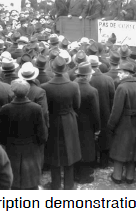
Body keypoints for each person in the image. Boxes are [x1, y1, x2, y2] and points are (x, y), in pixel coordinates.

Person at [0, 79, 47, 190]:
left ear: (13, 91)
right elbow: (41, 133)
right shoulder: (36, 108)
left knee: (14, 181)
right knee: (32, 181)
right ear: (27, 91)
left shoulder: (5, 109)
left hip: (12, 148)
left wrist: (7, 143)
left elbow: (0, 133)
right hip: (31, 148)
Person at [41, 56, 81, 190]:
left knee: (54, 153)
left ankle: (56, 184)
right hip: (69, 120)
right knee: (70, 151)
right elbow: (77, 105)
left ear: (52, 69)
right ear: (65, 69)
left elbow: (45, 108)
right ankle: (69, 185)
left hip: (53, 120)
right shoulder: (74, 85)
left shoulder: (45, 87)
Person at [108, 62, 136, 184]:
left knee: (120, 149)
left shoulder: (121, 87)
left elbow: (116, 110)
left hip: (124, 122)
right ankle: (130, 177)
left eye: (120, 72)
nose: (118, 74)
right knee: (134, 149)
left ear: (127, 73)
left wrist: (111, 125)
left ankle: (117, 176)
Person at [73, 62, 100, 183]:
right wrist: (97, 128)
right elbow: (95, 112)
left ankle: (75, 172)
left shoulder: (71, 85)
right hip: (87, 125)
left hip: (73, 122)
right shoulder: (92, 90)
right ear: (87, 76)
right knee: (86, 149)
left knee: (75, 147)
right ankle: (83, 176)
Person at [88, 55, 115, 168]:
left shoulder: (87, 79)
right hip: (105, 113)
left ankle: (93, 161)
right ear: (98, 65)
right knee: (105, 138)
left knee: (91, 138)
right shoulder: (108, 79)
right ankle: (104, 163)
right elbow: (113, 99)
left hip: (90, 115)